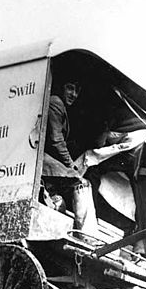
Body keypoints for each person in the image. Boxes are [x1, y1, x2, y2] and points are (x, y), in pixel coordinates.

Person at [42, 78, 98, 234]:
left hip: (49, 162)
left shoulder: (60, 105)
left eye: (77, 91)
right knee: (82, 183)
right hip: (44, 162)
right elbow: (56, 140)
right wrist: (71, 165)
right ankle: (86, 234)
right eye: (70, 88)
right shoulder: (56, 103)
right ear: (61, 87)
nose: (73, 94)